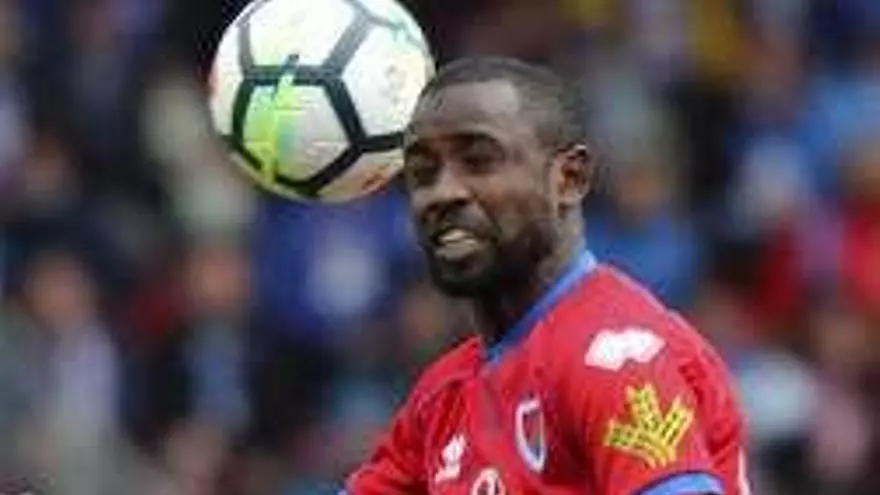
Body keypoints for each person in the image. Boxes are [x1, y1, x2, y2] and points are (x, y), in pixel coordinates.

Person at [341, 57, 748, 495]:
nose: (442, 193)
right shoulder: (439, 398)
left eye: (478, 161)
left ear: (569, 178)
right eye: (422, 174)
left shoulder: (616, 361)